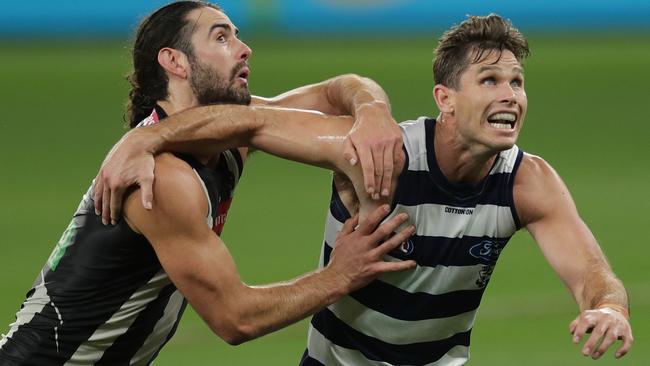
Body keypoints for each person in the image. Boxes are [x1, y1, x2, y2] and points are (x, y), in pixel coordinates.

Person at [91, 13, 634, 366]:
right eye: (489, 81)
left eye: (516, 82)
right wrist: (144, 140)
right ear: (444, 99)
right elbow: (252, 122)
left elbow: (592, 273)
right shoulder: (380, 155)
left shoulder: (527, 181)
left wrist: (609, 308)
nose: (510, 95)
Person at [0, 2, 417, 365]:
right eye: (221, 38)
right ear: (175, 62)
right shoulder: (161, 178)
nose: (243, 48)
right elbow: (236, 318)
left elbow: (335, 93)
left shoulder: (232, 133)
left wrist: (372, 108)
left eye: (237, 35)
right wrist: (338, 276)